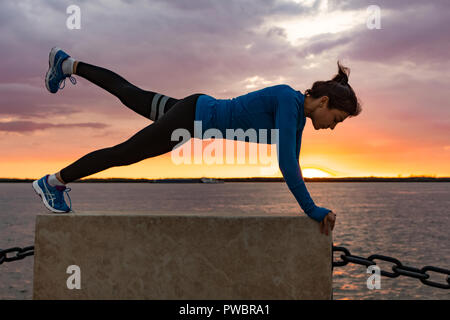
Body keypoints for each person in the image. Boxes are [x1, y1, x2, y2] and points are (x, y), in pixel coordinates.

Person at [32, 47, 361, 236]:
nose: (332, 127)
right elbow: (287, 165)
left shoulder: (294, 115)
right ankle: (54, 182)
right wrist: (312, 210)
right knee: (125, 154)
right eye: (336, 120)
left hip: (193, 112)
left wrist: (313, 208)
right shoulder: (289, 104)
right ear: (323, 103)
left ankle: (66, 63)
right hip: (190, 118)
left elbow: (294, 163)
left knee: (128, 93)